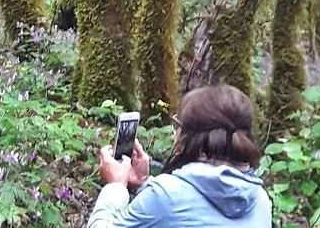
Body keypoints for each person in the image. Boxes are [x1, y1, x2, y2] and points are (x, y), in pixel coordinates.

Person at [87, 85, 272, 227]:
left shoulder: (166, 196)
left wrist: (116, 186)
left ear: (187, 136)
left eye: (177, 124)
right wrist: (144, 183)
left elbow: (174, 206)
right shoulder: (260, 201)